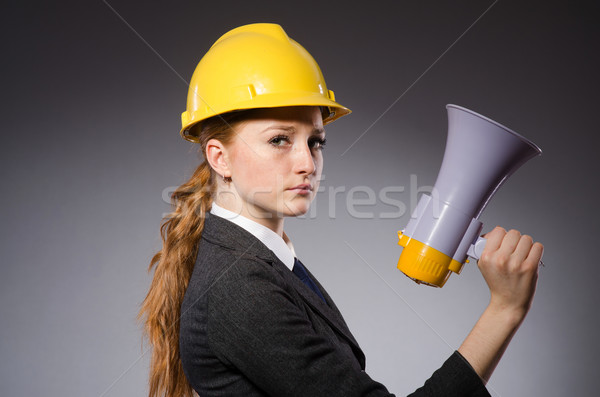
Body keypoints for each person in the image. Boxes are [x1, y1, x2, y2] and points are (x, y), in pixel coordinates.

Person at [138, 23, 543, 397]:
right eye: (279, 139)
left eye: (316, 142)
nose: (307, 163)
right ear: (219, 158)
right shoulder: (242, 285)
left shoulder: (261, 260)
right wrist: (504, 310)